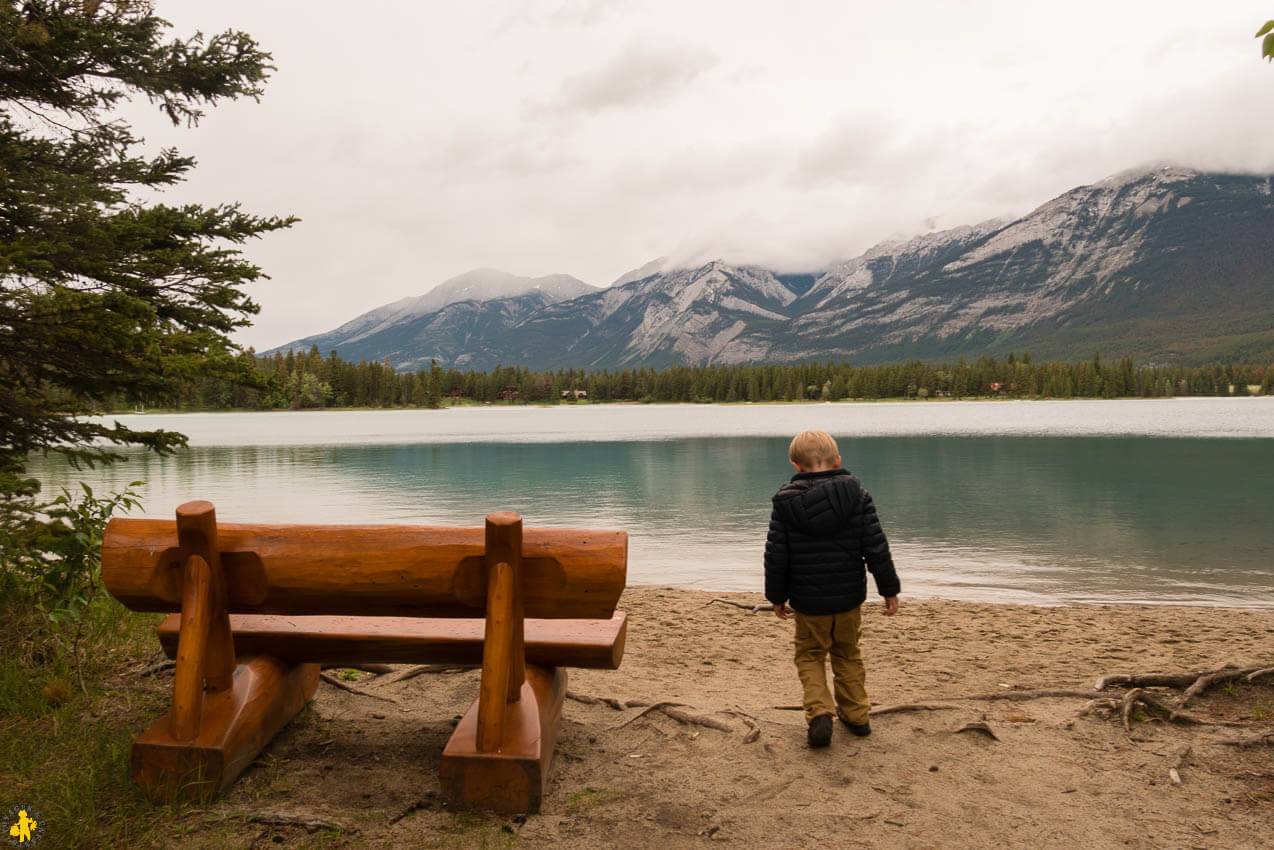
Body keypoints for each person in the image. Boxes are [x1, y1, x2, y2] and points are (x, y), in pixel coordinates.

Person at [764, 429, 900, 747]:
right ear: (838, 460)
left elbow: (776, 555)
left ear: (795, 465)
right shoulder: (858, 497)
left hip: (808, 600)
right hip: (849, 597)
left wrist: (776, 596)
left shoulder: (786, 504)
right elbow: (876, 548)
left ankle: (820, 714)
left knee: (810, 655)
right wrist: (889, 589)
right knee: (848, 653)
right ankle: (857, 716)